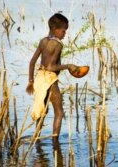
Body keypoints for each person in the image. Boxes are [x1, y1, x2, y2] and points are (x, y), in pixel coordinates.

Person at [26, 13, 77, 141]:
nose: (65, 34)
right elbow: (51, 67)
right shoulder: (58, 44)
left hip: (39, 78)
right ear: (55, 29)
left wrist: (31, 81)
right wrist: (69, 66)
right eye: (63, 31)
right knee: (59, 112)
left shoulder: (43, 41)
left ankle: (36, 139)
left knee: (42, 111)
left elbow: (32, 62)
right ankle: (55, 142)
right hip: (49, 79)